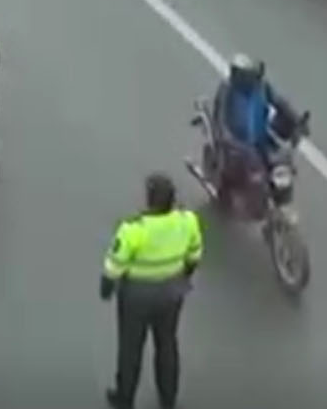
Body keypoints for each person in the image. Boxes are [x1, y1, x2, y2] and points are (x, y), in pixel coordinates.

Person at [101, 173, 202, 409]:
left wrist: (106, 288)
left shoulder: (133, 229)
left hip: (137, 296)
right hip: (171, 293)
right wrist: (182, 276)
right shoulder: (187, 221)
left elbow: (114, 265)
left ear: (149, 200)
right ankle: (168, 398)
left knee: (130, 349)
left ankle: (125, 398)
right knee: (167, 345)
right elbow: (194, 255)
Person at [209, 54, 303, 199]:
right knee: (234, 177)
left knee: (279, 164)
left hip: (260, 140)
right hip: (236, 146)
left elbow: (280, 103)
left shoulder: (263, 87)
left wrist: (296, 121)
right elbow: (219, 118)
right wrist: (226, 137)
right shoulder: (227, 89)